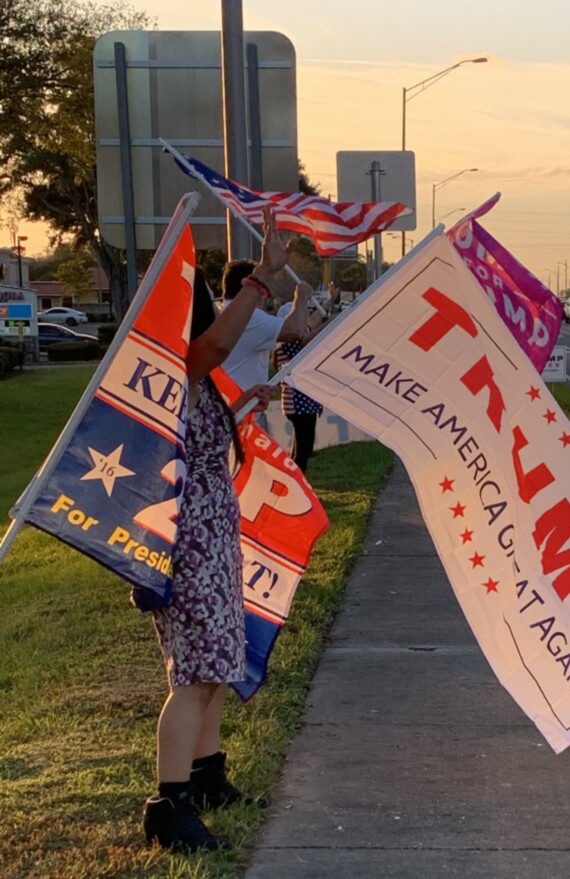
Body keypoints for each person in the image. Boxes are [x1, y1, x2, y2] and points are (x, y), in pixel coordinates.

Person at [141, 207, 295, 853]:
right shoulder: (182, 362)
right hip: (187, 546)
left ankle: (204, 776)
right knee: (195, 673)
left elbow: (198, 435)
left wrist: (239, 405)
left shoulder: (196, 385)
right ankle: (168, 804)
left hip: (210, 538)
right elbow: (216, 346)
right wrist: (261, 278)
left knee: (215, 665)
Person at [273, 285, 339, 473]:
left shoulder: (288, 338)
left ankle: (297, 484)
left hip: (301, 403)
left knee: (301, 449)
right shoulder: (291, 341)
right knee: (303, 451)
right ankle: (297, 486)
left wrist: (330, 300)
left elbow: (314, 319)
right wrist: (336, 321)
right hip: (299, 403)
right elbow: (312, 335)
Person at [219, 256, 311, 390]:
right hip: (242, 403)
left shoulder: (220, 313)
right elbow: (294, 330)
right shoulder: (249, 317)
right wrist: (301, 297)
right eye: (264, 289)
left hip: (227, 400)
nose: (266, 295)